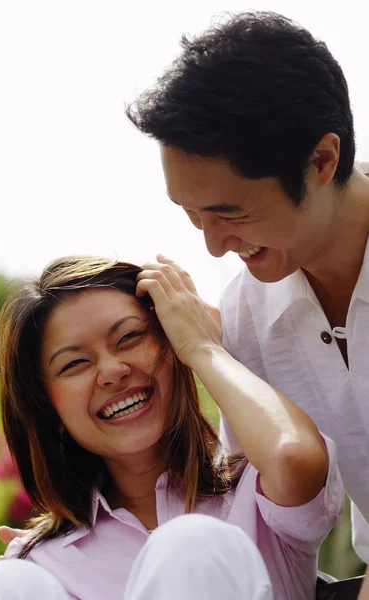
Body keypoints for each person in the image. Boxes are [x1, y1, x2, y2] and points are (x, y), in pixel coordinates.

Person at [126, 10, 369, 562]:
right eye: (191, 215)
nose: (214, 245)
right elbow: (245, 511)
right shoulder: (246, 311)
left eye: (229, 214)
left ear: (322, 161)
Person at [0, 254, 343, 599]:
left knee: (190, 544)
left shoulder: (257, 494)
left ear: (172, 346)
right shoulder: (42, 560)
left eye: (129, 337)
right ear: (50, 411)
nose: (112, 371)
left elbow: (296, 458)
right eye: (75, 364)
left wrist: (203, 347)